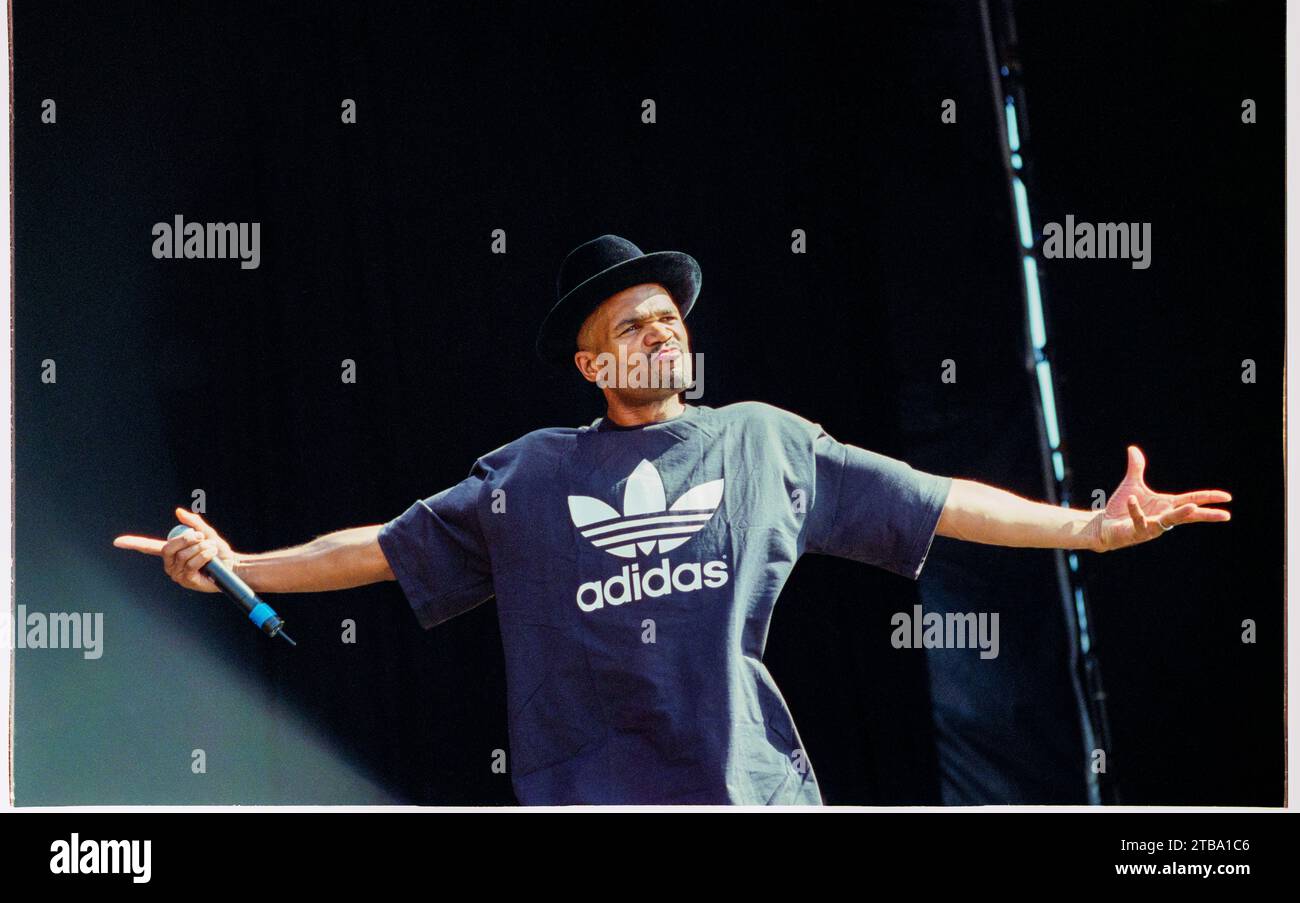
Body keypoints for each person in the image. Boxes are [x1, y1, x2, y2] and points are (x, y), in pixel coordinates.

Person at [114, 233, 1233, 805]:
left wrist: (1086, 528)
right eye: (635, 326)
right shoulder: (532, 474)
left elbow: (935, 502)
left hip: (754, 797)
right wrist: (236, 560)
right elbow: (376, 547)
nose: (662, 334)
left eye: (670, 319)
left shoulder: (763, 442)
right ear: (592, 362)